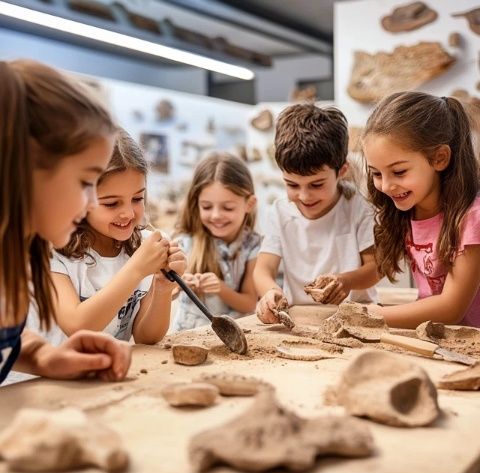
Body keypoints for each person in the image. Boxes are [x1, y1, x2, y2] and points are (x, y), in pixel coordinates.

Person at [0, 59, 131, 384]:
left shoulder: (17, 257)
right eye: (86, 183)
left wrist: (43, 355)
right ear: (25, 169)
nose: (91, 204)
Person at [39, 128, 186, 344]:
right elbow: (77, 326)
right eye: (111, 203)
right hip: (55, 376)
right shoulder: (52, 250)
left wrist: (162, 287)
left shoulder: (145, 244)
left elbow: (147, 337)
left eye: (137, 198)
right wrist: (136, 269)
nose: (128, 213)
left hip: (112, 372)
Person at [363, 91, 480, 328]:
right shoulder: (406, 211)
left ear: (439, 158)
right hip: (438, 340)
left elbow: (450, 308)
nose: (385, 186)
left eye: (399, 172)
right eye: (376, 173)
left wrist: (372, 315)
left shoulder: (472, 217)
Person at [254, 103, 378, 324]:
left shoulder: (358, 208)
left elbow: (376, 269)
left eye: (316, 184)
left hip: (355, 317)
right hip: (299, 318)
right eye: (292, 185)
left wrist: (345, 281)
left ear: (342, 171)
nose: (304, 196)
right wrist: (270, 291)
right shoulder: (280, 212)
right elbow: (263, 268)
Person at [172, 152, 260, 331]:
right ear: (196, 203)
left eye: (227, 207)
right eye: (206, 207)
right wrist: (179, 285)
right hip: (187, 336)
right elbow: (165, 294)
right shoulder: (185, 244)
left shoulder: (253, 246)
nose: (216, 215)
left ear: (249, 204)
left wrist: (221, 288)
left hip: (232, 337)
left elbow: (250, 303)